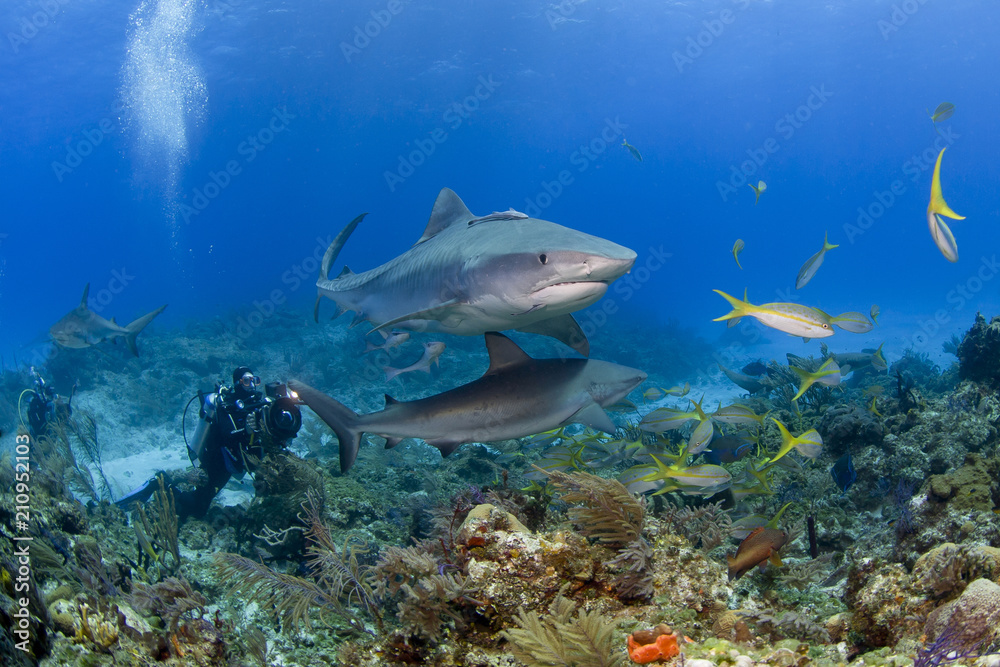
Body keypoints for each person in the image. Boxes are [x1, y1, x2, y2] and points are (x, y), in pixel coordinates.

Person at [116, 367, 302, 520]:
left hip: (242, 460)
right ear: (238, 383)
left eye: (255, 380)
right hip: (219, 461)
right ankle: (160, 482)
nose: (252, 385)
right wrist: (245, 430)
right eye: (246, 381)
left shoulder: (261, 403)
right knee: (196, 509)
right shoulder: (226, 405)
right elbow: (225, 435)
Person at [21, 367, 74, 439]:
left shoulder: (53, 405)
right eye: (51, 397)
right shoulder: (40, 405)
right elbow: (38, 427)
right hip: (41, 436)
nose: (54, 399)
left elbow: (66, 413)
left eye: (54, 396)